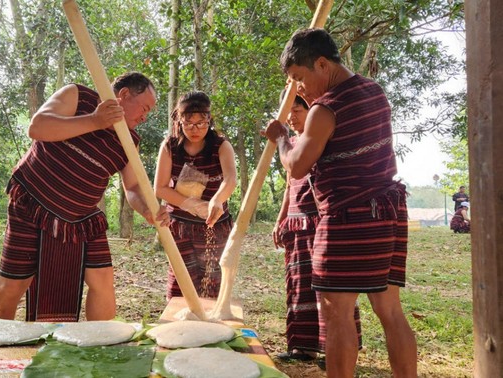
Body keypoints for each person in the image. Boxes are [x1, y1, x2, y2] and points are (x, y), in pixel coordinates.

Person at [264, 29, 417, 377]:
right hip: (389, 211)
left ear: (322, 63)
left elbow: (298, 165)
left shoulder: (325, 108)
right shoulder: (374, 91)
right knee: (390, 310)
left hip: (350, 216)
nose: (299, 89)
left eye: (299, 78)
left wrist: (281, 138)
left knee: (337, 313)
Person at [0, 72, 170, 324]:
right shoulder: (77, 96)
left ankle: (98, 347)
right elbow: (37, 127)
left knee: (103, 281)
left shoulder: (129, 140)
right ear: (123, 95)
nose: (145, 117)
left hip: (82, 219)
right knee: (12, 285)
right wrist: (95, 120)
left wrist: (147, 209)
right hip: (32, 204)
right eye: (144, 108)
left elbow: (132, 186)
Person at [273, 94, 362, 361]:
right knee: (299, 284)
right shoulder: (289, 144)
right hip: (296, 221)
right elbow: (290, 184)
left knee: (329, 285)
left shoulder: (321, 137)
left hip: (322, 220)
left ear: (310, 110)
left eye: (296, 110)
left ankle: (331, 350)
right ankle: (302, 347)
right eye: (288, 112)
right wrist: (281, 219)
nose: (291, 117)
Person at [154, 91, 237, 300]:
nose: (195, 129)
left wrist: (217, 200)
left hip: (214, 224)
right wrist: (192, 205)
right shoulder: (170, 146)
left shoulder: (221, 145)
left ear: (209, 119)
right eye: (188, 123)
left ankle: (212, 330)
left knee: (212, 280)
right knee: (181, 281)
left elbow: (230, 180)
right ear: (179, 120)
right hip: (179, 225)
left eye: (201, 123)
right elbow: (160, 188)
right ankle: (180, 329)